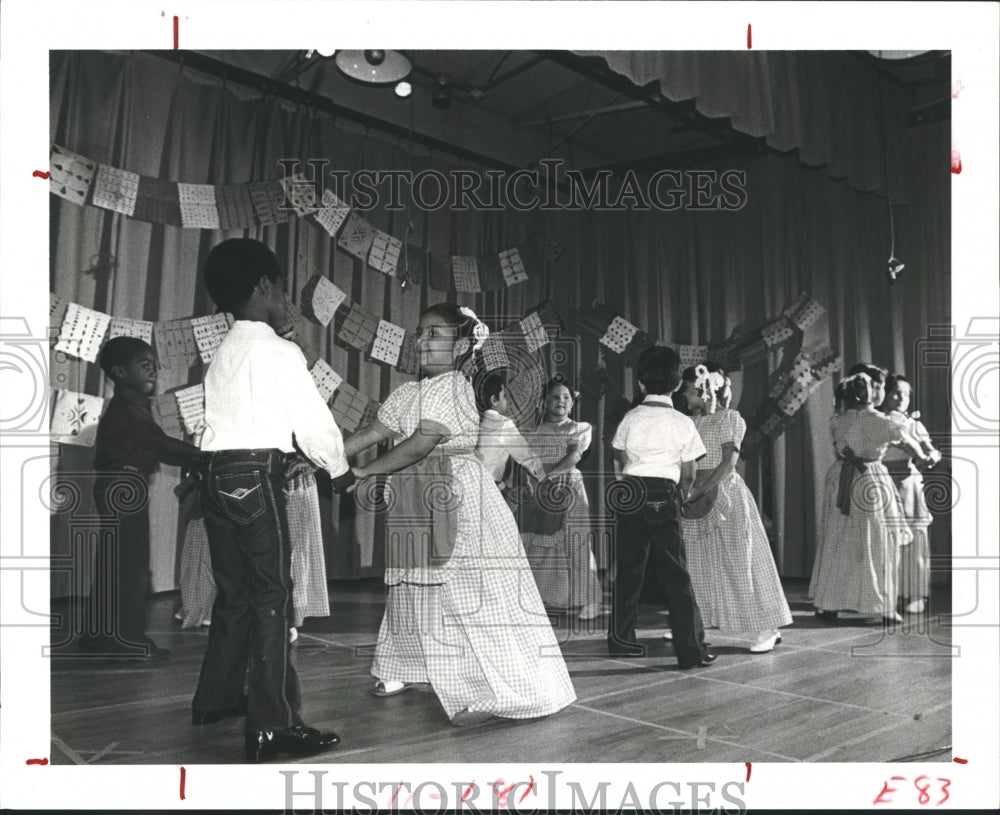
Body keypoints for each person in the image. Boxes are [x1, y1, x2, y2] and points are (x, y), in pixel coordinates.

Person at [344, 303, 576, 727]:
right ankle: (404, 666)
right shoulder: (409, 392)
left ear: (462, 346)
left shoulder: (453, 387)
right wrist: (329, 459)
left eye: (434, 334)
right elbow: (375, 432)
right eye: (420, 333)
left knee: (469, 593)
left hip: (458, 496)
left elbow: (421, 441)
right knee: (412, 584)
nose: (421, 341)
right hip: (415, 495)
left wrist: (363, 470)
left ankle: (496, 687)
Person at [191, 238, 354, 763]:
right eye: (282, 288)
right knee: (272, 597)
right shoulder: (280, 352)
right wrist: (342, 473)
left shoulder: (223, 351)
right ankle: (273, 725)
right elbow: (314, 423)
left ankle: (214, 700)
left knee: (234, 594)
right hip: (257, 474)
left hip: (215, 474)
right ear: (264, 288)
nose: (287, 299)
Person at [83, 336, 204, 661]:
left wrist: (193, 457)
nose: (153, 371)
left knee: (117, 563)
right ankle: (125, 640)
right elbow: (160, 444)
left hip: (119, 486)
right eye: (145, 365)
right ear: (120, 372)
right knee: (130, 566)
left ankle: (98, 636)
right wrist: (205, 456)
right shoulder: (128, 409)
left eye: (154, 364)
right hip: (123, 486)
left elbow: (156, 447)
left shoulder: (132, 407)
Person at [607, 345, 715, 668]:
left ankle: (621, 642)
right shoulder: (682, 422)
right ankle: (691, 651)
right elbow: (690, 471)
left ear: (640, 384)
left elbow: (620, 458)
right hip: (663, 493)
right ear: (678, 384)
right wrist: (679, 496)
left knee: (629, 571)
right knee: (675, 573)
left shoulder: (629, 417)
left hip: (631, 493)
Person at [677, 365, 792, 653]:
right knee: (698, 563)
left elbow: (729, 462)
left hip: (725, 495)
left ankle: (766, 627)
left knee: (740, 560)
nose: (684, 394)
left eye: (688, 388)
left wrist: (701, 490)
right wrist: (686, 491)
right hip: (695, 499)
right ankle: (697, 621)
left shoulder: (729, 418)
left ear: (703, 389)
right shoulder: (688, 423)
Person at [809, 369, 932, 623]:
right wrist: (923, 456)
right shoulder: (883, 422)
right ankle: (882, 605)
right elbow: (910, 444)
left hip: (841, 478)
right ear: (872, 393)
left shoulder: (838, 419)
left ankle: (827, 603)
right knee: (877, 541)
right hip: (869, 481)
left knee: (838, 539)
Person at [519, 377, 604, 620]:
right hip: (538, 492)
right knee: (538, 546)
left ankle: (589, 600)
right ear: (545, 401)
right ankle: (545, 598)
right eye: (555, 397)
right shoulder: (531, 432)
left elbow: (574, 457)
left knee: (577, 544)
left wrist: (546, 477)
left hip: (568, 489)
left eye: (566, 397)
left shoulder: (579, 428)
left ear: (572, 402)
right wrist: (531, 483)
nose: (561, 401)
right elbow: (524, 463)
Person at [879, 374, 941, 614]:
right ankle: (886, 594)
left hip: (908, 485)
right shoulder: (877, 421)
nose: (901, 399)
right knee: (885, 539)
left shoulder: (914, 424)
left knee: (914, 538)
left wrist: (932, 458)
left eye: (906, 394)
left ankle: (916, 593)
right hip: (883, 483)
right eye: (896, 392)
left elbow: (931, 451)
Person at [473, 370, 546, 498]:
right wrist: (543, 478)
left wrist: (504, 489)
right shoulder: (503, 424)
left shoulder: (475, 422)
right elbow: (525, 455)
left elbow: (486, 467)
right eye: (504, 395)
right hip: (486, 491)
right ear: (494, 400)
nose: (507, 400)